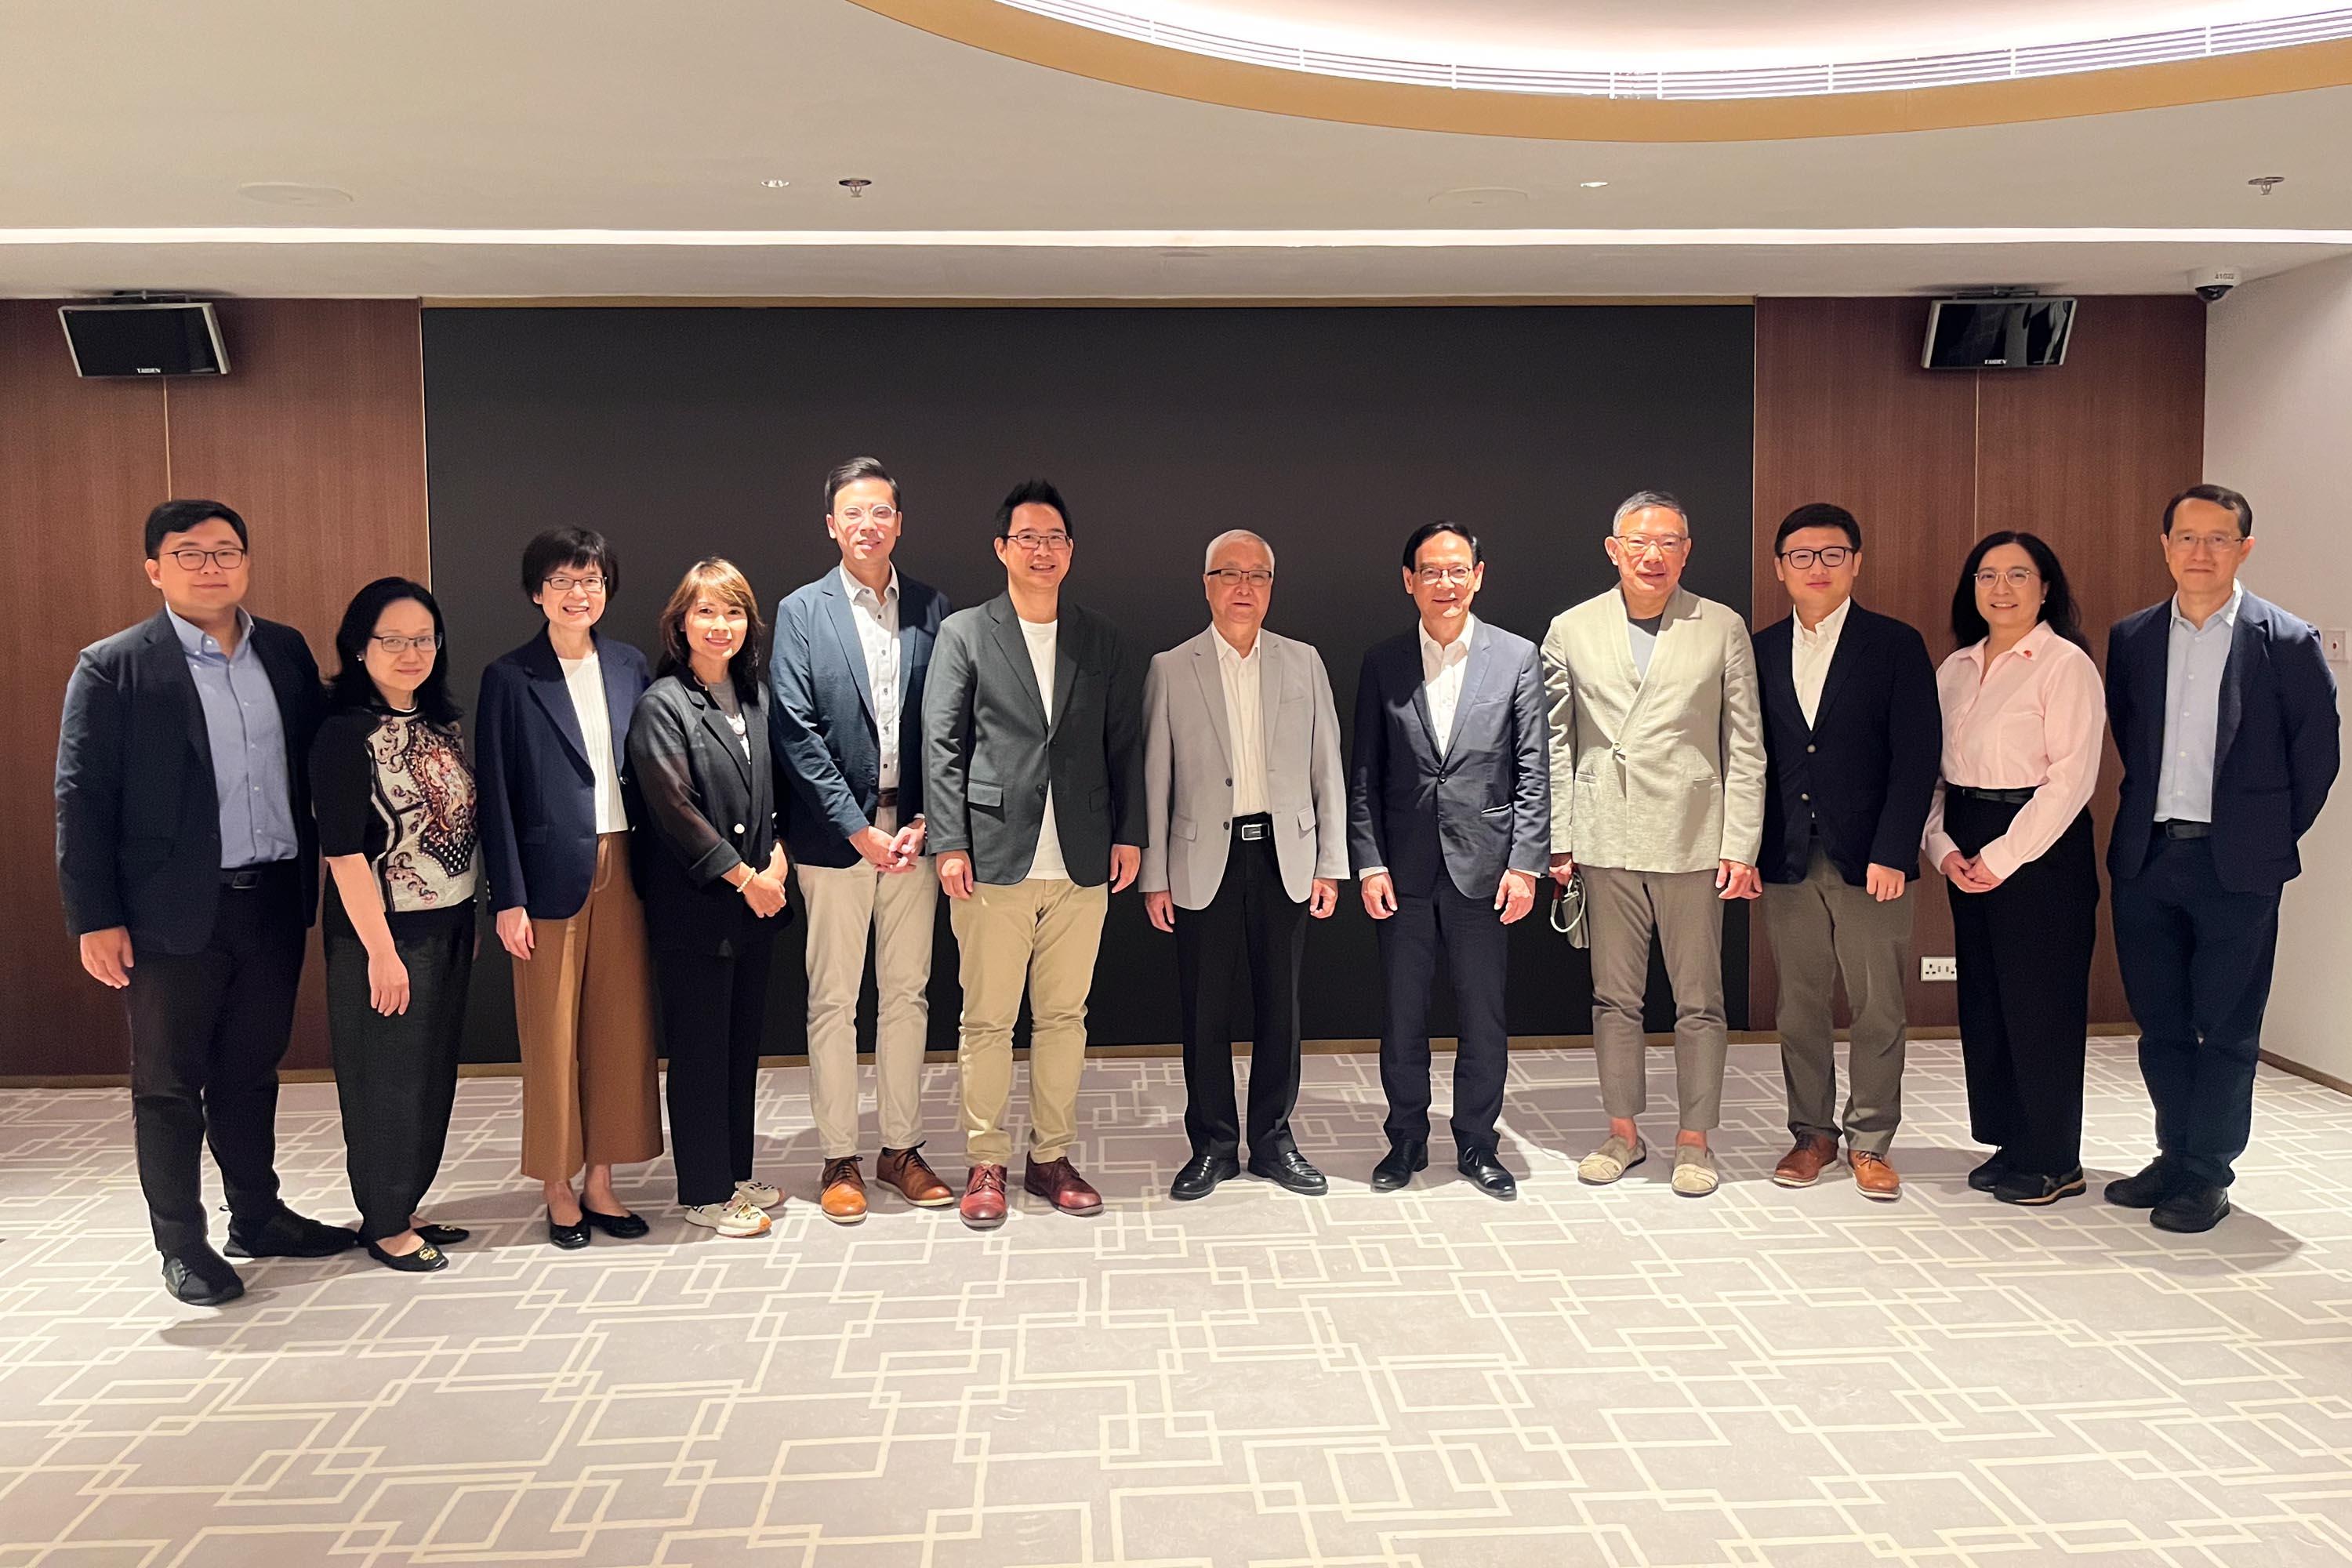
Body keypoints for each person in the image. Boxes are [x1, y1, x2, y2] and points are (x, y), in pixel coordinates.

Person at [55, 499, 354, 1307]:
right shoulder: (114, 665)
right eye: (190, 553)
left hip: (272, 899)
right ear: (154, 567)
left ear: (248, 563)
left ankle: (256, 1216)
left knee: (251, 1071)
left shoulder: (284, 651)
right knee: (168, 1082)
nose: (212, 565)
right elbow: (81, 798)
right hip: (168, 915)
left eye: (227, 551)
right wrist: (93, 915)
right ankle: (180, 1244)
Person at [2104, 485, 2339, 1232]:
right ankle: (2173, 1155)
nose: (2199, 552)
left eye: (2218, 538)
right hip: (2149, 857)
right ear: (2165, 545)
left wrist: (2263, 835)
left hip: (2238, 867)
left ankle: (2208, 1173)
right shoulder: (2133, 637)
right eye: (2186, 537)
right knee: (2162, 1021)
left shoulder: (2288, 640)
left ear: (2245, 548)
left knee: (2229, 1026)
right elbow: (2129, 738)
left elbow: (2318, 759)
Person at [924, 478, 1144, 1229]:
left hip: (1081, 861)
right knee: (985, 1020)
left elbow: (1125, 746)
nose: (1042, 551)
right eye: (1028, 538)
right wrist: (949, 841)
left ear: (1071, 551)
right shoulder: (965, 633)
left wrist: (1130, 832)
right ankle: (985, 1160)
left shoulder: (1101, 638)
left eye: (1054, 539)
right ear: (1001, 549)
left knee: (1064, 1017)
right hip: (991, 859)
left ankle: (1050, 1156)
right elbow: (943, 747)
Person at [1544, 491, 1766, 1199]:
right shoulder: (1570, 628)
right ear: (1613, 548)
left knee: (1700, 1000)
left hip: (1693, 836)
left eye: (1669, 541)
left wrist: (1742, 844)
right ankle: (1623, 1131)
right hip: (1604, 834)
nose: (1653, 554)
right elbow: (1554, 741)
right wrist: (1560, 837)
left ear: (1687, 550)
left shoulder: (1720, 625)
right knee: (1615, 998)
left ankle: (1695, 1139)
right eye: (1639, 542)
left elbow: (1746, 744)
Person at [770, 457, 956, 1224]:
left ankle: (900, 1148)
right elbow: (795, 728)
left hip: (911, 834)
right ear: (831, 525)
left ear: (899, 522)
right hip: (836, 837)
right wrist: (857, 827)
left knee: (909, 994)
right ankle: (840, 1154)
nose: (868, 524)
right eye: (854, 512)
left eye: (882, 511)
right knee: (834, 998)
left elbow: (946, 720)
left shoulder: (932, 607)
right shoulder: (800, 610)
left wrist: (919, 822)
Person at [1142, 529, 1348, 1201]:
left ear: (1270, 588)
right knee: (1204, 1009)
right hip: (1203, 859)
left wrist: (1331, 863)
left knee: (1280, 1008)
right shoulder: (1171, 668)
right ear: (1206, 584)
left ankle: (1274, 1140)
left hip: (1286, 855)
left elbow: (1328, 769)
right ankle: (1212, 1144)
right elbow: (1155, 781)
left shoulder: (1303, 662)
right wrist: (1155, 875)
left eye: (1257, 576)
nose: (1243, 587)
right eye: (1229, 574)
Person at [474, 528, 662, 1250]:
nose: (577, 593)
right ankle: (557, 1185)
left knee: (620, 1031)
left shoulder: (628, 664)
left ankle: (603, 1180)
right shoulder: (509, 676)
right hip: (546, 878)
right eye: (561, 581)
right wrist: (508, 897)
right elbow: (496, 794)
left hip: (625, 869)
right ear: (536, 593)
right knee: (551, 1037)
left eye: (590, 581)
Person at [1348, 521, 1548, 1200]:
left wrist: (1526, 864)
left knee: (1482, 1014)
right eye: (1431, 571)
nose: (1445, 583)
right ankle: (1405, 1139)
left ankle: (1477, 1142)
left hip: (1486, 870)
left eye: (1457, 569)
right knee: (1402, 1014)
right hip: (1401, 871)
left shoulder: (1517, 657)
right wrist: (1368, 863)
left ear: (1479, 575)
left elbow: (1533, 771)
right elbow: (1364, 774)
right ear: (1409, 581)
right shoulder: (1383, 662)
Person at [1751, 503, 1940, 1201]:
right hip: (1788, 857)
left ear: (1856, 562)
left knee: (1877, 1005)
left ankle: (1870, 1139)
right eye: (1802, 555)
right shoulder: (1760, 647)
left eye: (1833, 554)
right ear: (1780, 568)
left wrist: (1894, 849)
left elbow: (1916, 758)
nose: (1818, 567)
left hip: (1871, 860)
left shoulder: (1894, 644)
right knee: (1799, 1004)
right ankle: (1812, 1134)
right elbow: (1750, 758)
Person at [1925, 531, 2105, 1207]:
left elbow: (2071, 780)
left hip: (2040, 845)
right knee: (1989, 999)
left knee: (2043, 1002)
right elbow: (1932, 773)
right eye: (1987, 575)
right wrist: (1942, 847)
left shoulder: (2064, 664)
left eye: (2018, 575)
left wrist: (2002, 857)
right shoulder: (1956, 668)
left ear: (2046, 587)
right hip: (1966, 835)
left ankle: (2056, 1157)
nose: (2001, 588)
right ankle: (2011, 1141)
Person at [312, 578, 482, 1274]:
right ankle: (382, 1221)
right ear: (359, 647)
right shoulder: (343, 734)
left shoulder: (440, 723)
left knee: (430, 1073)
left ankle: (404, 1200)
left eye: (424, 638)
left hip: (449, 923)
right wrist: (382, 952)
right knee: (384, 1078)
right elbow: (344, 854)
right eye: (393, 639)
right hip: (383, 936)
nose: (411, 652)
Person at [626, 559, 792, 1239]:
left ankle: (734, 1171)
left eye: (732, 613)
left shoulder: (752, 697)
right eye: (705, 612)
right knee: (698, 1051)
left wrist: (776, 860)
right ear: (680, 623)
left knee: (739, 1046)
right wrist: (746, 878)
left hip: (755, 904)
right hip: (699, 908)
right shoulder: (663, 704)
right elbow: (676, 812)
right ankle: (702, 1189)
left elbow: (768, 796)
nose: (719, 625)